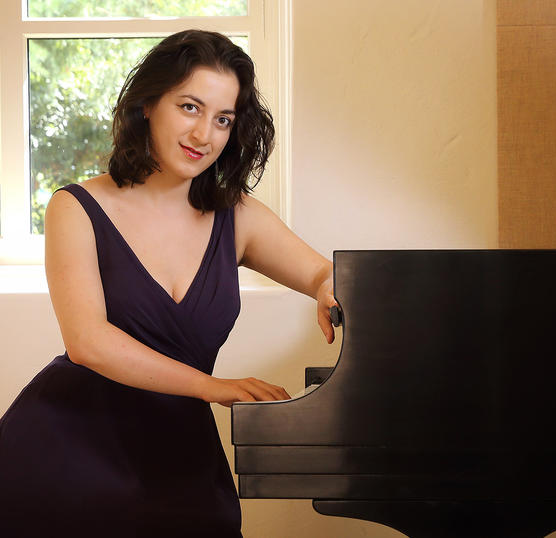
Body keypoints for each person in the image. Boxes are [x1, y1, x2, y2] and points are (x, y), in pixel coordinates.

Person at [0, 30, 336, 537]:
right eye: (189, 107)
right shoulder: (75, 207)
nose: (204, 134)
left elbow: (321, 273)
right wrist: (214, 387)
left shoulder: (236, 214)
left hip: (179, 456)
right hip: (64, 453)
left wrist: (330, 286)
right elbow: (88, 343)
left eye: (223, 118)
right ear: (148, 106)